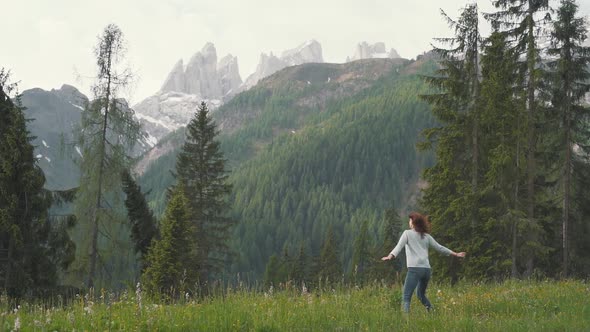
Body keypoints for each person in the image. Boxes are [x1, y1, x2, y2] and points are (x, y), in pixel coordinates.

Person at [381, 212, 466, 313]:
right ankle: (432, 311)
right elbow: (440, 248)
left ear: (413, 223)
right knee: (420, 294)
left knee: (406, 296)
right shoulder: (426, 236)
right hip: (426, 270)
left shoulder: (407, 233)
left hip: (414, 269)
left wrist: (390, 256)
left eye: (410, 220)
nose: (409, 222)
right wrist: (456, 254)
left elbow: (399, 247)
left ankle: (405, 323)